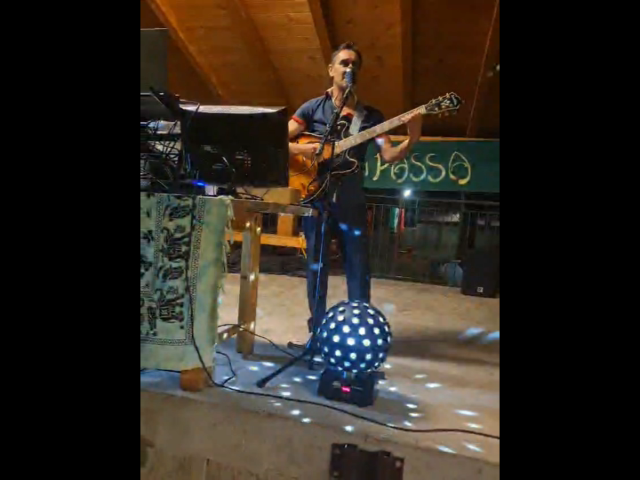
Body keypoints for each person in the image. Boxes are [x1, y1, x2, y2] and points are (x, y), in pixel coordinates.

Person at [288, 42, 423, 332]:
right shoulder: (312, 108)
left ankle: (359, 329)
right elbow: (278, 140)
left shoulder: (371, 117)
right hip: (316, 195)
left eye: (354, 65)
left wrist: (412, 138)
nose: (350, 68)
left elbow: (388, 154)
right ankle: (317, 331)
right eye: (344, 63)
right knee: (316, 266)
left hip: (351, 198)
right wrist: (304, 150)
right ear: (331, 69)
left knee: (358, 266)